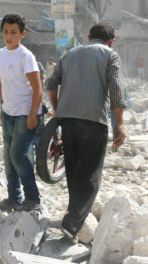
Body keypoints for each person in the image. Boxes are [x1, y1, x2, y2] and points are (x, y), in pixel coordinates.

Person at [46, 22, 126, 244]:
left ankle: (73, 217)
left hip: (68, 120)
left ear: (89, 36)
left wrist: (57, 109)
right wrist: (119, 124)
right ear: (111, 41)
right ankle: (71, 224)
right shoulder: (110, 55)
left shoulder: (70, 53)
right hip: (93, 120)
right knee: (91, 176)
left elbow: (51, 82)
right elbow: (117, 90)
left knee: (74, 170)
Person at [0, 13, 43, 213]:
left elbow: (37, 88)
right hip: (8, 112)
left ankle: (33, 197)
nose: (8, 35)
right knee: (8, 155)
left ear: (22, 34)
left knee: (18, 154)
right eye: (6, 31)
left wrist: (33, 114)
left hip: (26, 112)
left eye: (13, 32)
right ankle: (14, 198)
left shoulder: (26, 56)